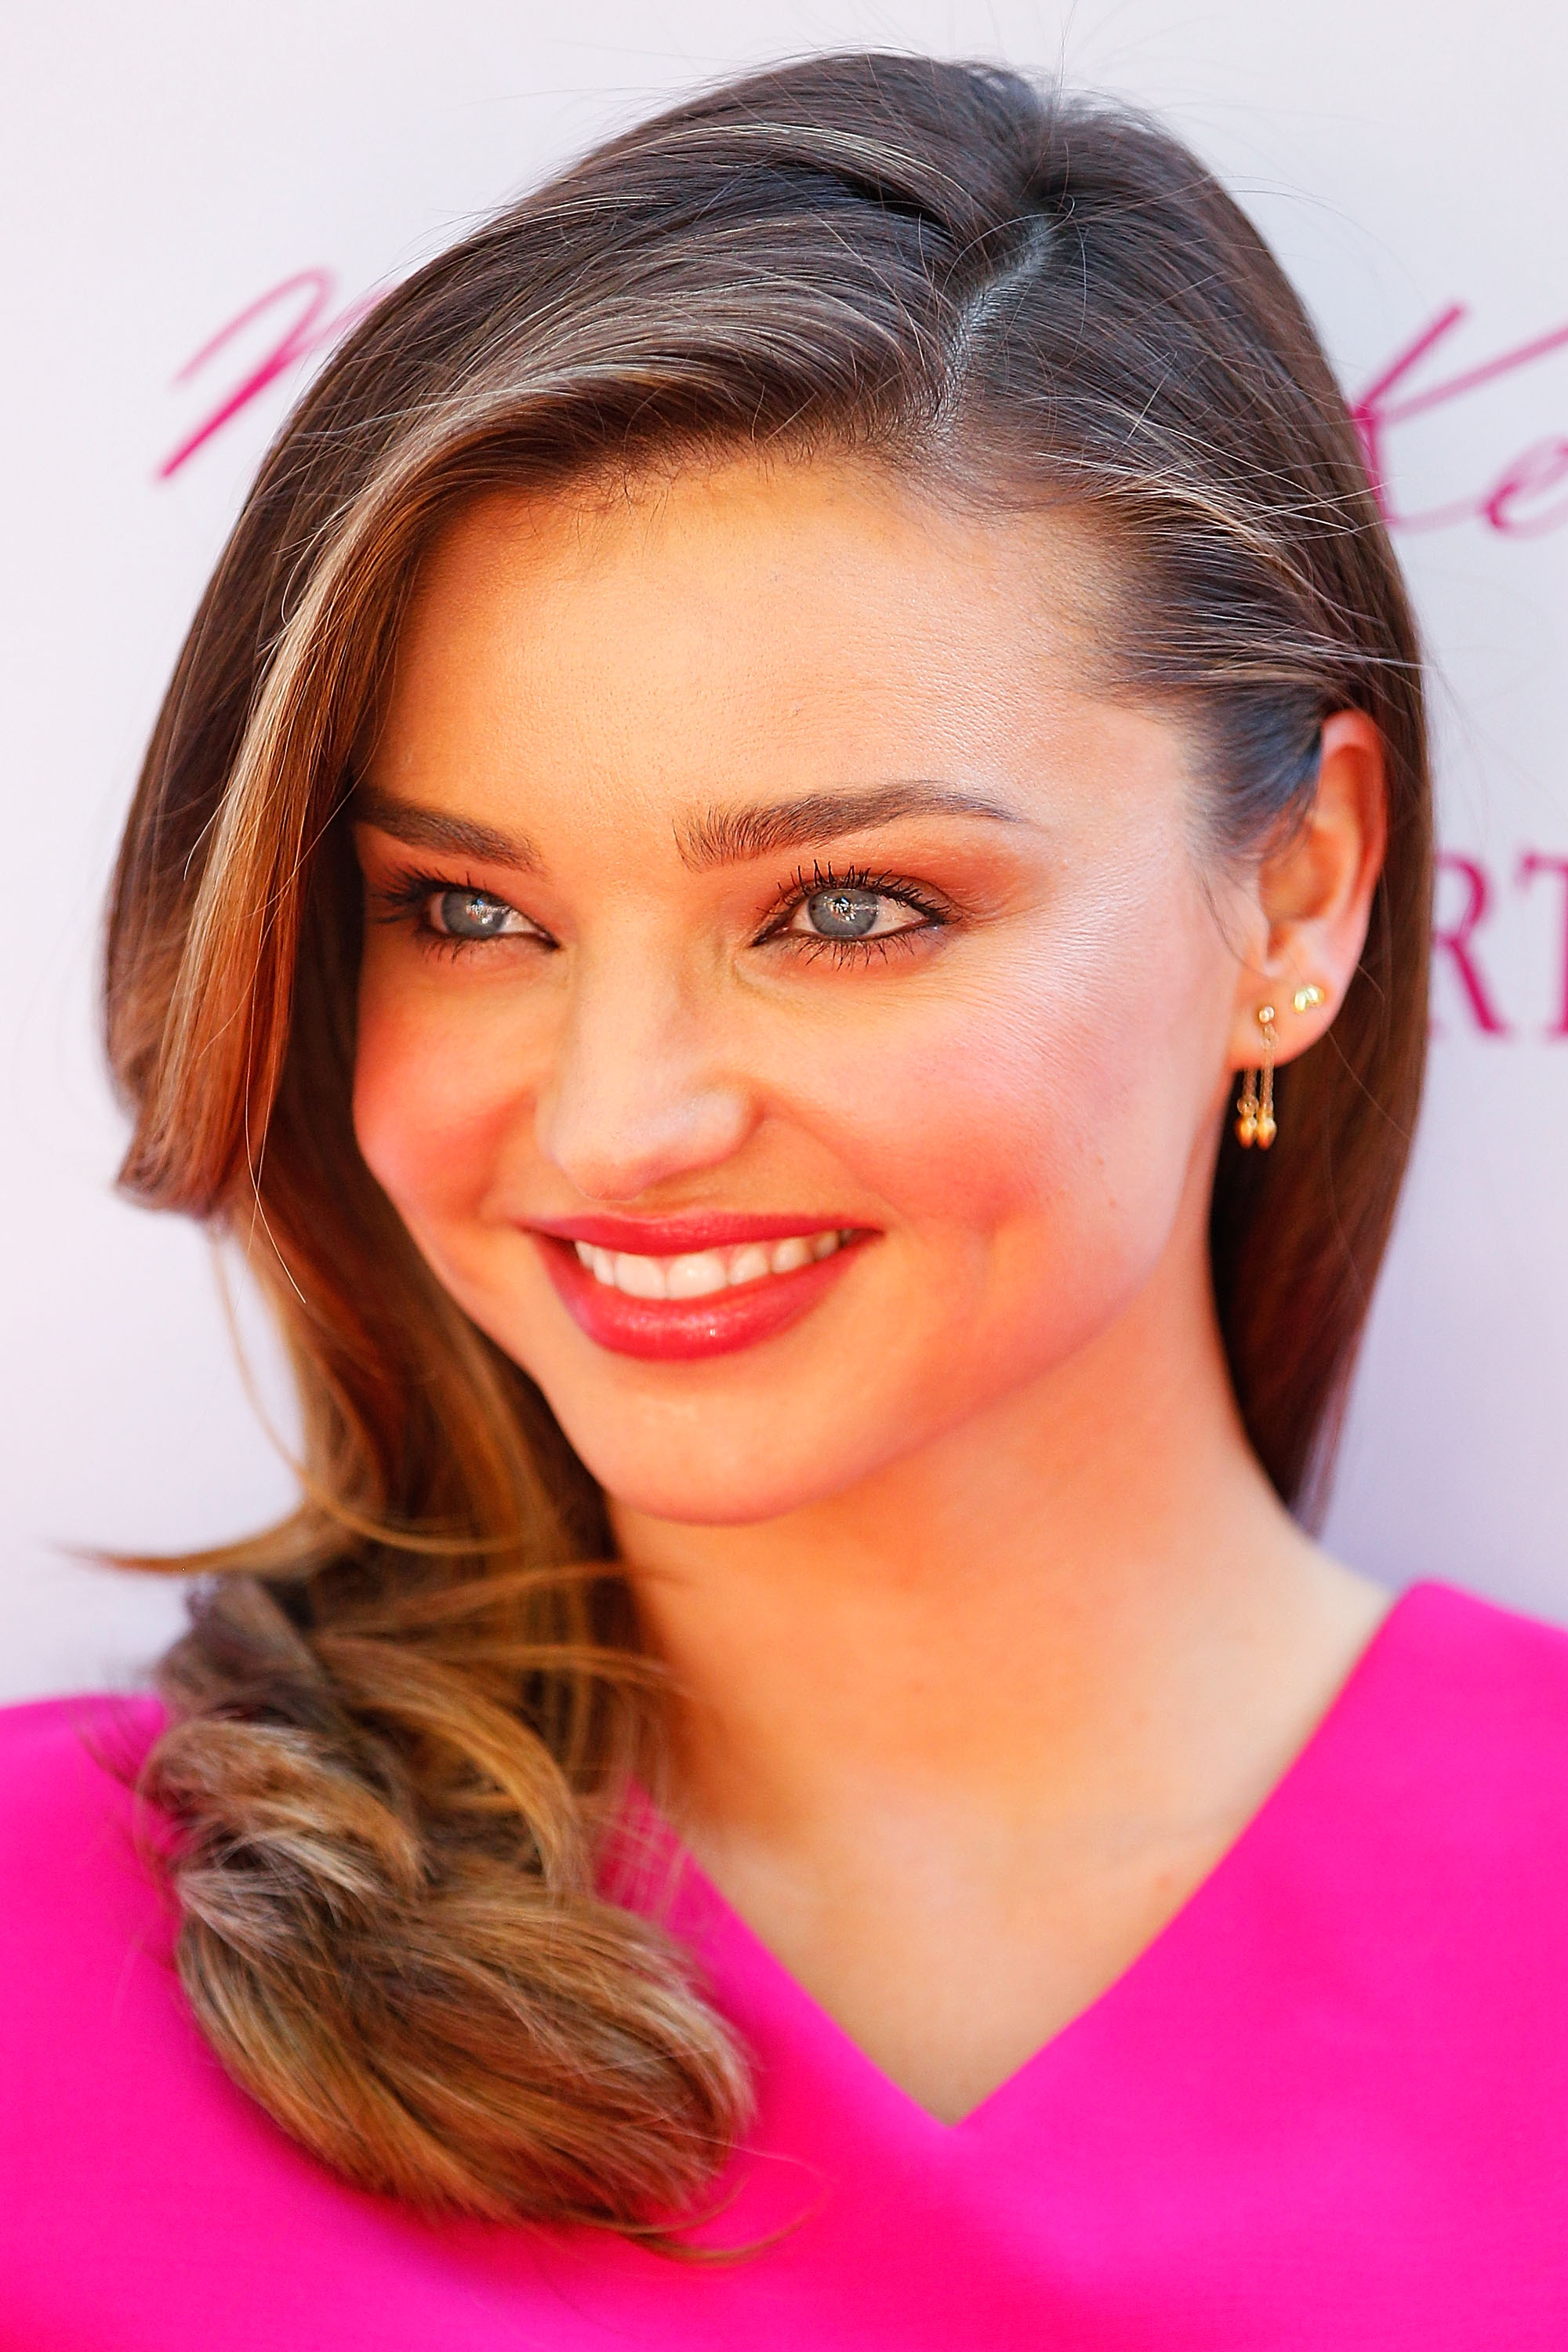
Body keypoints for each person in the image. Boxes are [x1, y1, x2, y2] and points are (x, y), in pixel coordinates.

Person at [4, 49, 1565, 2348]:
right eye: (470, 914)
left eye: (846, 910)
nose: (619, 1123)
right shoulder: (46, 1965)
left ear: (1302, 890)